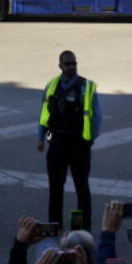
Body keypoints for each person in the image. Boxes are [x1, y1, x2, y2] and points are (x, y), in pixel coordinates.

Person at [37, 50, 101, 225]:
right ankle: (55, 223)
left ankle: (80, 226)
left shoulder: (86, 87)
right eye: (67, 64)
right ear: (60, 66)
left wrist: (90, 140)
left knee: (81, 187)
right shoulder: (52, 86)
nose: (72, 66)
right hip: (57, 143)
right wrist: (40, 137)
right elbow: (44, 112)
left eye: (74, 63)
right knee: (55, 187)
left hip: (78, 145)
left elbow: (96, 117)